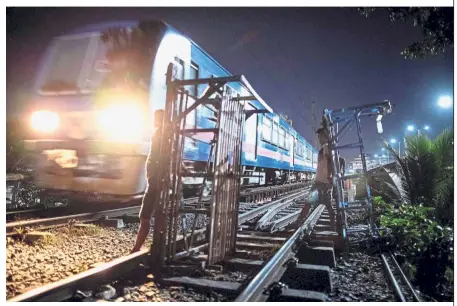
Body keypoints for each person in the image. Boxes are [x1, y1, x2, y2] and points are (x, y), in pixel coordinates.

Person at [131, 110, 165, 253]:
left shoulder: (162, 135)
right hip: (155, 180)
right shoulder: (162, 134)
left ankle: (139, 248)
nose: (154, 120)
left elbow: (164, 156)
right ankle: (154, 247)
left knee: (146, 216)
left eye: (156, 118)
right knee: (154, 215)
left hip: (156, 181)